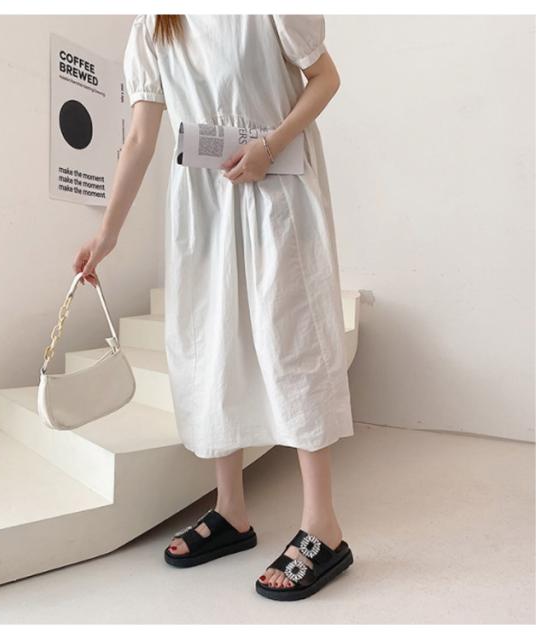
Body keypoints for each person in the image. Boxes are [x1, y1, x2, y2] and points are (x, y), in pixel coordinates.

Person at [73, 15, 354, 601]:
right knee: (211, 346)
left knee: (294, 344)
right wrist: (107, 234)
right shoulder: (154, 25)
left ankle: (322, 527)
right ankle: (231, 511)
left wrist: (270, 144)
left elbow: (325, 78)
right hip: (202, 204)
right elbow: (140, 138)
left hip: (277, 186)